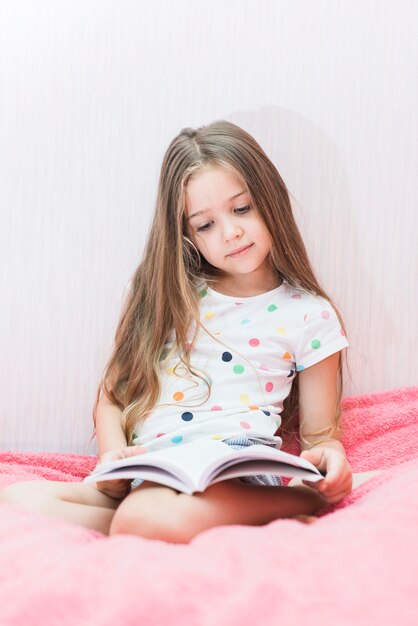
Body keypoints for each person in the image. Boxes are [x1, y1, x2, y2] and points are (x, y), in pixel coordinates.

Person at [0, 120, 379, 543]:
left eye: (241, 209)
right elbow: (113, 394)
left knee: (146, 515)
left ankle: (303, 504)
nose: (230, 233)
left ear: (269, 199)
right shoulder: (162, 292)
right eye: (205, 224)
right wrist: (111, 461)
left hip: (236, 471)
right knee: (18, 501)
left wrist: (329, 463)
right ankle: (152, 520)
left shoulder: (308, 314)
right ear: (185, 233)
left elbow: (320, 435)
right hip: (154, 468)